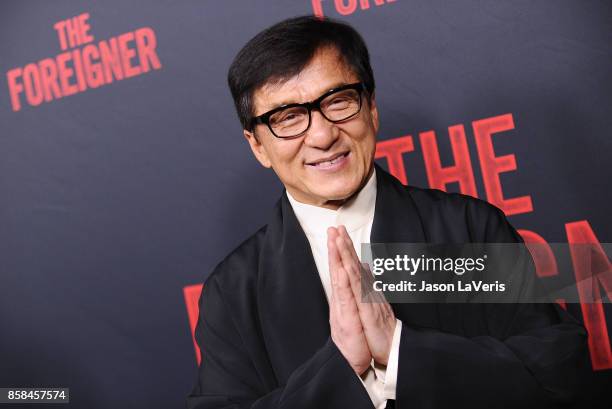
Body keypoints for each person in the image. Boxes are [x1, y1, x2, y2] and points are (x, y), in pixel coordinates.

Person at [187, 16, 589, 409]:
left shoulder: (466, 230)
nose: (324, 135)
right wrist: (341, 368)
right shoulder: (234, 290)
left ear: (371, 108)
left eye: (339, 100)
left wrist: (400, 351)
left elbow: (557, 375)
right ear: (258, 146)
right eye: (289, 117)